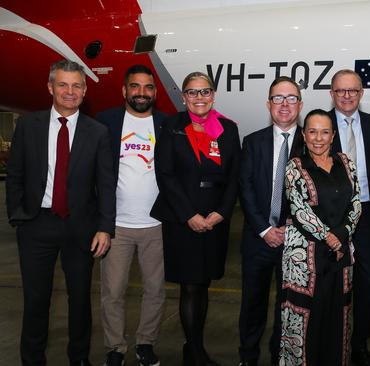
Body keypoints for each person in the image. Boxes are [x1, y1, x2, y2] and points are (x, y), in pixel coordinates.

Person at [6, 59, 115, 366]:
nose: (70, 92)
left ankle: (79, 358)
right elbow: (14, 174)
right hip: (36, 225)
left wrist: (105, 227)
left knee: (80, 301)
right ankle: (32, 360)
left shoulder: (98, 132)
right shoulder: (28, 125)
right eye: (63, 85)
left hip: (81, 229)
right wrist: (18, 215)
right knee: (36, 300)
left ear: (84, 91)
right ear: (50, 87)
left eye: (77, 86)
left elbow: (106, 184)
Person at [150, 71, 241, 366]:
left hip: (215, 218)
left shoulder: (228, 129)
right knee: (190, 284)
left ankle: (194, 347)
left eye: (204, 92)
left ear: (213, 95)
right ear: (183, 97)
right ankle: (195, 350)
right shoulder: (171, 125)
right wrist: (189, 214)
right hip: (182, 217)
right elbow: (165, 173)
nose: (199, 97)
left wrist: (220, 213)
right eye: (192, 92)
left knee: (203, 283)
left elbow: (234, 177)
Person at [95, 64, 167, 366]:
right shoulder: (106, 122)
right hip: (116, 225)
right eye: (135, 87)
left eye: (148, 87)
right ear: (124, 91)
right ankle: (115, 347)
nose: (141, 93)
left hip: (157, 224)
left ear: (154, 92)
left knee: (155, 290)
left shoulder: (167, 123)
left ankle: (146, 343)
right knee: (112, 291)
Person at [279, 109, 361, 366]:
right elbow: (300, 210)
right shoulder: (295, 166)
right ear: (303, 135)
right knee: (306, 320)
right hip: (305, 258)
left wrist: (342, 234)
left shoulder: (346, 162)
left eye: (325, 132)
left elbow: (356, 202)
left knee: (338, 316)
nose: (318, 138)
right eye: (312, 131)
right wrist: (330, 236)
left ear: (333, 135)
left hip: (339, 256)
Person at [238, 76, 305, 366]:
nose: (285, 105)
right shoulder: (252, 142)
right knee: (252, 304)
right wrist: (265, 229)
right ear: (268, 104)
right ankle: (248, 357)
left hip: (295, 242)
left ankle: (281, 356)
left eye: (291, 98)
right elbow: (246, 189)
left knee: (287, 307)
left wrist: (290, 229)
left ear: (300, 105)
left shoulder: (312, 141)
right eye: (278, 98)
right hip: (258, 239)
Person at [327, 70, 370, 366]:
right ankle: (330, 343)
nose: (347, 96)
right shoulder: (319, 126)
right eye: (340, 91)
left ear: (361, 93)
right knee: (330, 282)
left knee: (367, 280)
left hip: (367, 215)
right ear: (332, 94)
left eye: (352, 91)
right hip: (331, 219)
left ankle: (360, 344)